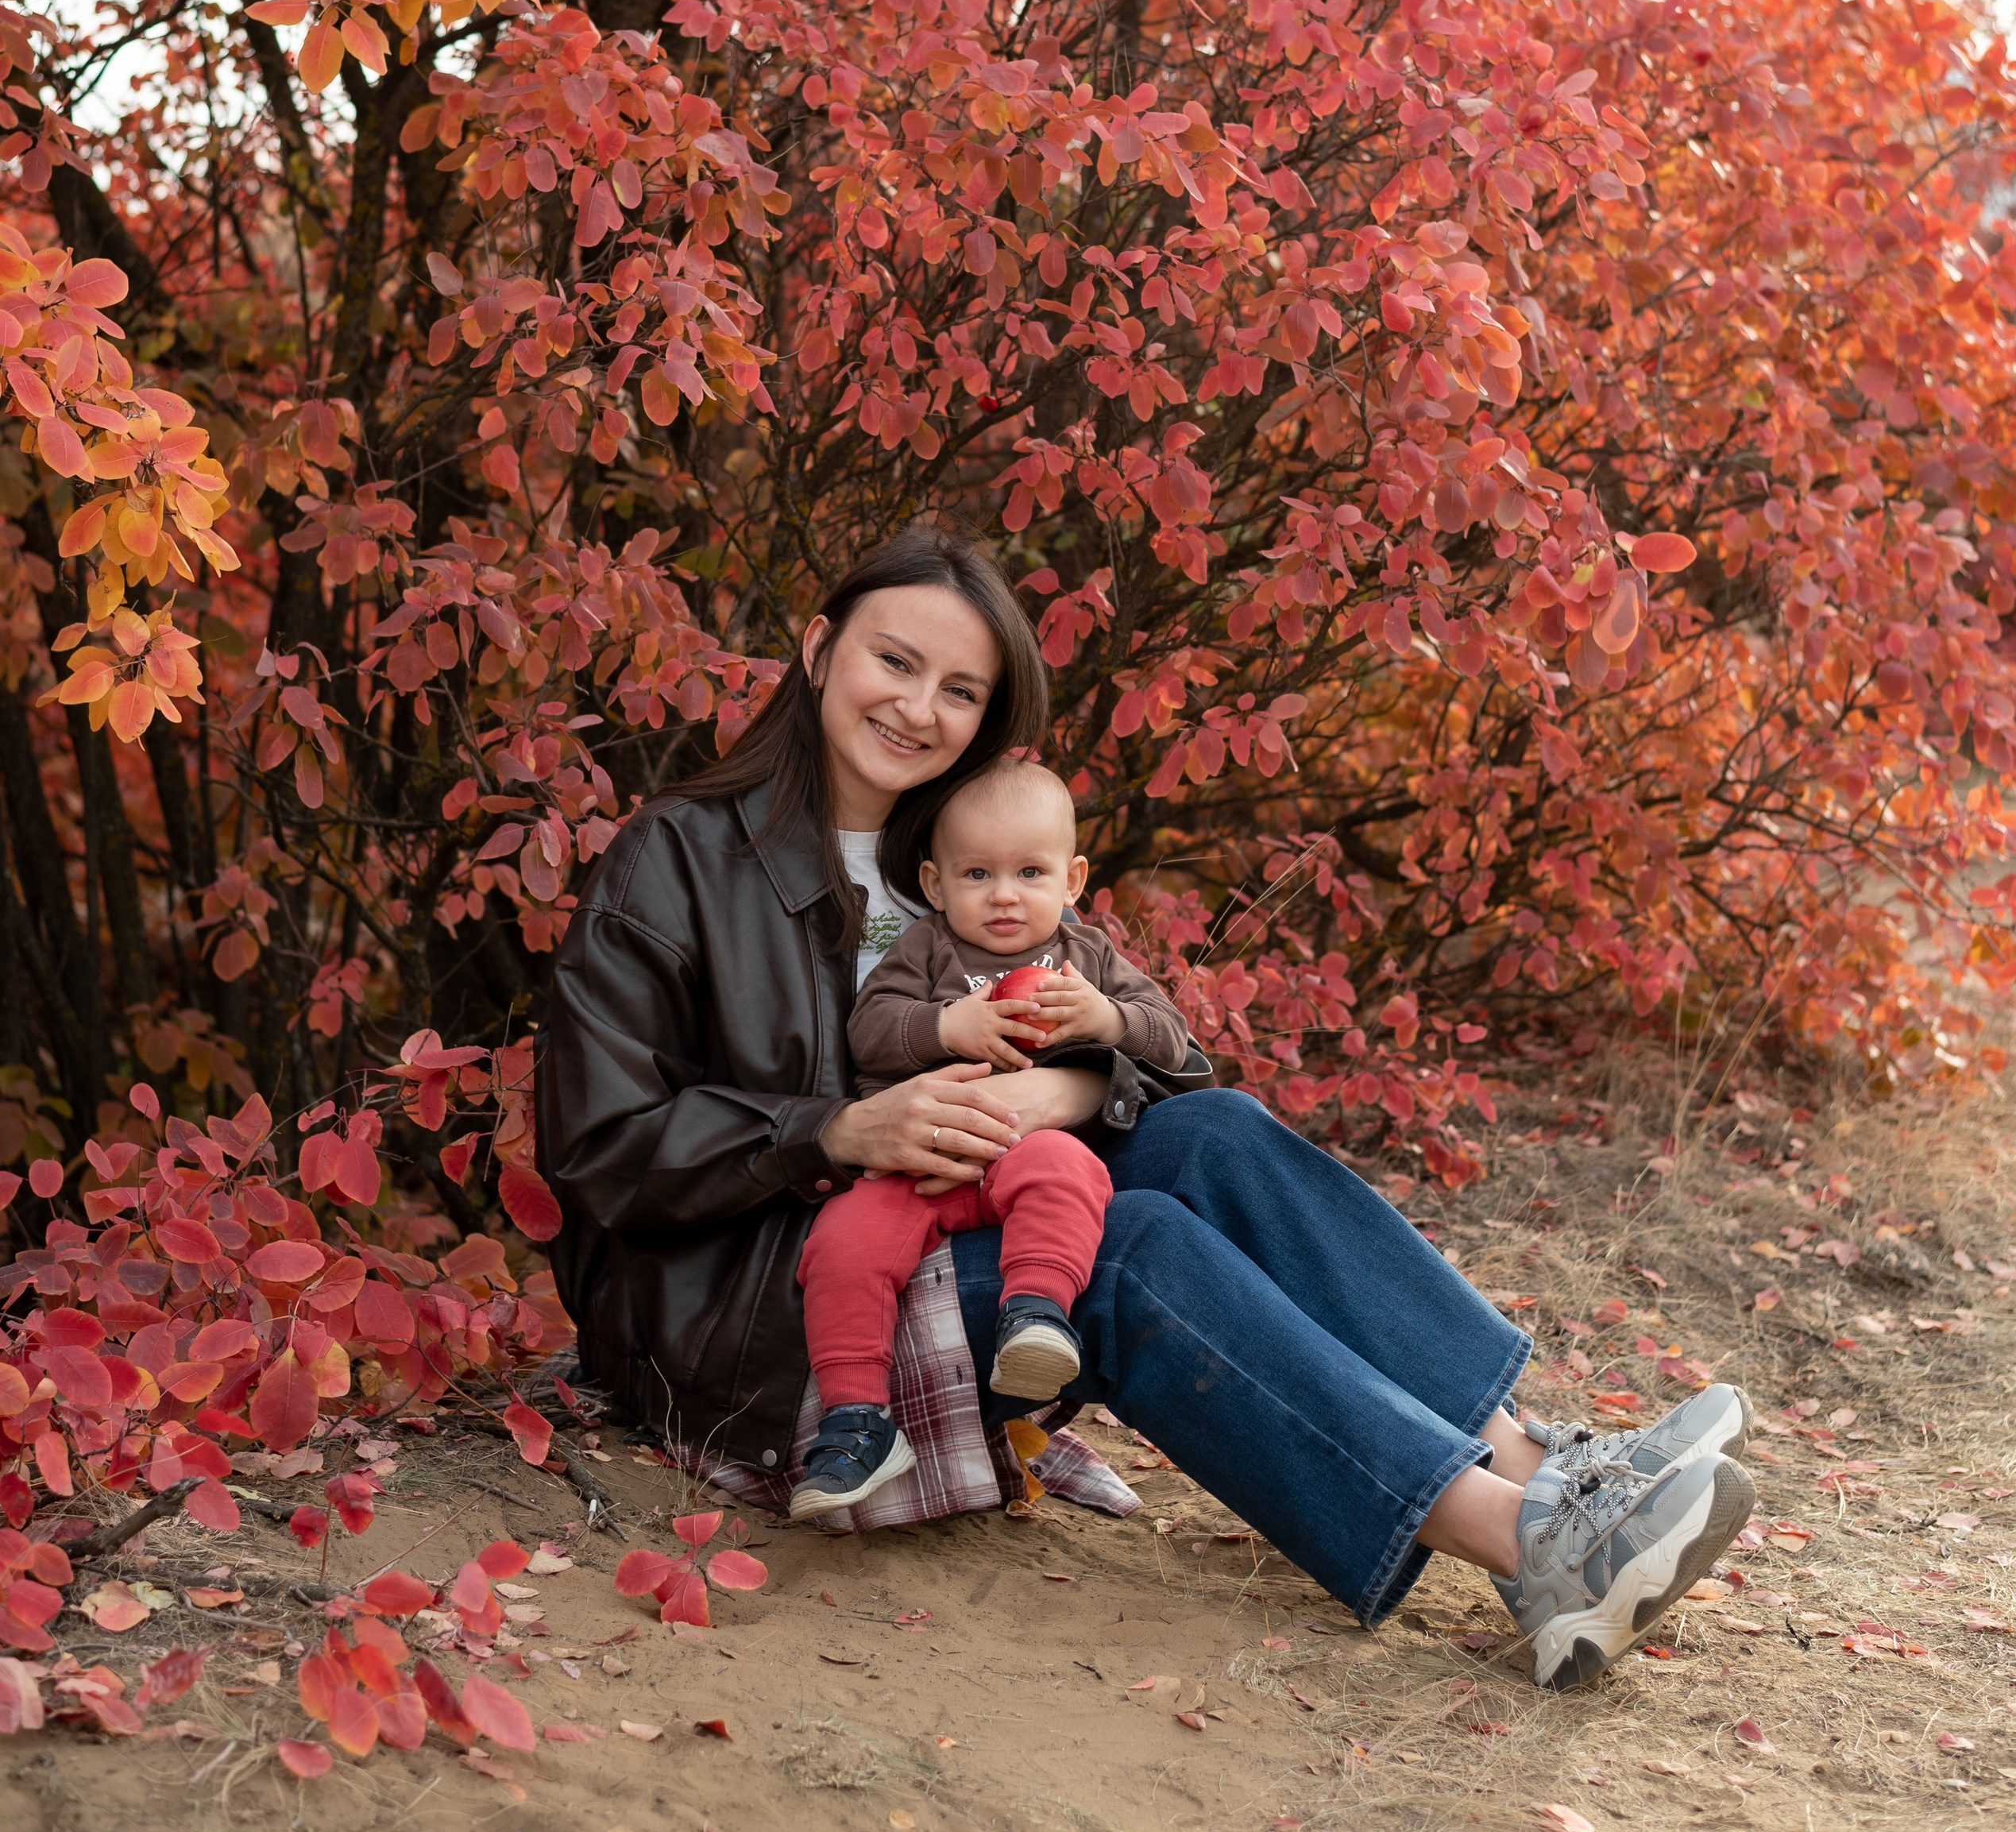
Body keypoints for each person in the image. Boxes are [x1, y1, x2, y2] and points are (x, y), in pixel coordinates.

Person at [537, 530, 1754, 1691]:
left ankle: (1547, 1470)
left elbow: (1166, 1064)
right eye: (894, 661)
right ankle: (1523, 1544)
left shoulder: (969, 847)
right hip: (764, 1310)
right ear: (819, 649)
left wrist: (1066, 1085)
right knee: (1128, 1249)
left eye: (959, 689)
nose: (918, 707)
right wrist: (834, 1130)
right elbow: (597, 1146)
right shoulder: (679, 857)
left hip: (969, 1211)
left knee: (1217, 1135)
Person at [788, 756, 1194, 1521]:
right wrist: (947, 1025)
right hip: (920, 1165)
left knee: (1068, 1168)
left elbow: (1173, 1038)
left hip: (1025, 1153)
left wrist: (1106, 1017)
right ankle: (856, 1419)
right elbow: (868, 1030)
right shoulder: (927, 948)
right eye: (977, 873)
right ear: (936, 883)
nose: (1004, 894)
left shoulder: (1086, 957)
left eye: (1030, 872)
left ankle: (1034, 1316)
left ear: (1072, 879)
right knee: (841, 1239)